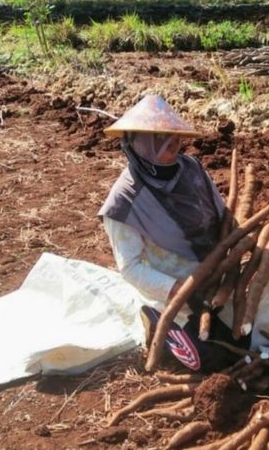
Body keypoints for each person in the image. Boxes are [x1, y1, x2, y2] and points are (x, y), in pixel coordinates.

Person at [97, 94, 245, 371]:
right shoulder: (123, 202)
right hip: (171, 285)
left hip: (215, 272)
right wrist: (181, 290)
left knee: (252, 334)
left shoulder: (190, 168)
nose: (175, 144)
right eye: (162, 138)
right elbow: (130, 268)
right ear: (140, 142)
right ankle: (153, 314)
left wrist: (245, 241)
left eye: (175, 136)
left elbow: (222, 212)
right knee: (209, 360)